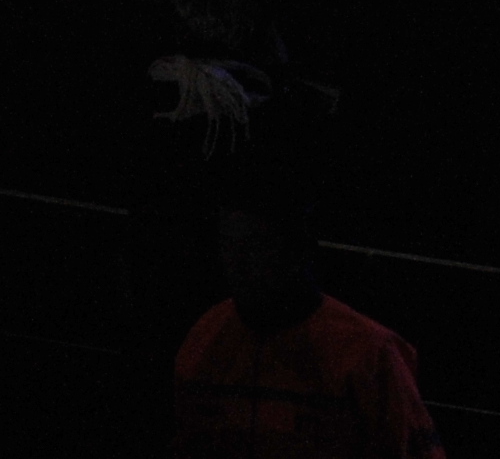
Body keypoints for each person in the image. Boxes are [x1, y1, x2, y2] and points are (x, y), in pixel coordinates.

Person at [166, 194, 441, 457]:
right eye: (229, 245)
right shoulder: (206, 339)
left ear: (295, 252)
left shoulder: (367, 353)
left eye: (257, 247)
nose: (238, 263)